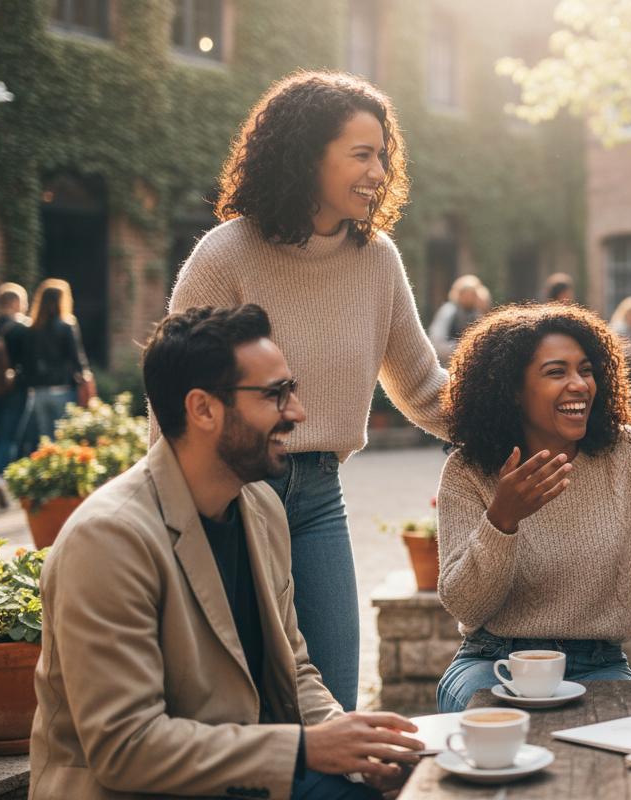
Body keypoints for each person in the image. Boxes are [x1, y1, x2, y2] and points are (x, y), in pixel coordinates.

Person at [30, 304, 425, 800]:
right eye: (275, 395)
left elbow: (294, 668)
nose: (298, 412)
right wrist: (304, 750)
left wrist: (356, 750)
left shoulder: (260, 504)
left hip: (244, 780)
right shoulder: (108, 539)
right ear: (203, 409)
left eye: (292, 390)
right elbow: (125, 748)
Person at [166, 71, 449, 711]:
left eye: (383, 155)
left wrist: (518, 421)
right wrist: (174, 519)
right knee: (240, 705)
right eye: (361, 154)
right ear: (306, 156)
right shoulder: (227, 253)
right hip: (229, 497)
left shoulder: (378, 258)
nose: (379, 171)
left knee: (334, 705)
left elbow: (425, 387)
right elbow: (174, 402)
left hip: (321, 498)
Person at [434, 303, 631, 713]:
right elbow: (465, 606)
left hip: (598, 663)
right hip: (493, 661)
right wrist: (502, 520)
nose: (579, 385)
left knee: (629, 746)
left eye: (585, 370)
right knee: (501, 729)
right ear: (513, 390)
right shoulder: (469, 471)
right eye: (556, 372)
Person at [0, 283, 31, 507]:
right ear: (19, 302)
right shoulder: (23, 328)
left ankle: (0, 475)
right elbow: (28, 361)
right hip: (15, 388)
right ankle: (2, 480)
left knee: (0, 433)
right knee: (10, 437)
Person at [25, 280, 91, 443]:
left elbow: (27, 361)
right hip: (62, 387)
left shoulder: (31, 328)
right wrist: (84, 377)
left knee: (45, 439)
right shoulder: (66, 325)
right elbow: (76, 358)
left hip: (39, 389)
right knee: (63, 437)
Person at [428, 275, 490, 362]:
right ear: (459, 293)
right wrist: (463, 348)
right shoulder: (449, 311)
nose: (470, 297)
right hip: (448, 362)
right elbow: (437, 342)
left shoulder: (476, 313)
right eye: (467, 293)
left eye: (473, 294)